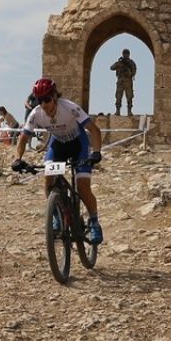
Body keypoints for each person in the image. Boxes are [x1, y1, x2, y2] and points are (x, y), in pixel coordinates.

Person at [11, 78, 105, 244]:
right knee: (49, 181)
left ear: (54, 96)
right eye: (39, 100)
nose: (44, 104)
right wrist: (18, 159)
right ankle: (56, 216)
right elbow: (23, 137)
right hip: (58, 146)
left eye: (47, 99)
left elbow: (93, 129)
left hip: (78, 144)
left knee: (83, 185)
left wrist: (96, 153)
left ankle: (94, 221)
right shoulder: (36, 113)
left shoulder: (69, 108)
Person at [110, 48, 137, 116]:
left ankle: (129, 111)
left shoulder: (131, 63)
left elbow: (134, 71)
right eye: (124, 54)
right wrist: (119, 64)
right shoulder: (120, 62)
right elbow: (112, 67)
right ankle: (118, 111)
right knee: (118, 96)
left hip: (128, 81)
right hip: (121, 81)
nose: (125, 55)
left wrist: (128, 72)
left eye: (126, 54)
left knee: (129, 96)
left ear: (128, 54)